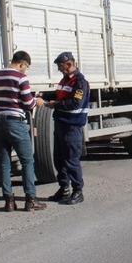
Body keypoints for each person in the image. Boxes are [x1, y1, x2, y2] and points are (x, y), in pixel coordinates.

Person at [0, 50, 46, 212]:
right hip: (15, 122)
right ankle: (30, 199)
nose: (26, 70)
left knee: (4, 162)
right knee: (27, 161)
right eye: (26, 67)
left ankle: (9, 201)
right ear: (22, 63)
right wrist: (36, 101)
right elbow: (28, 103)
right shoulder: (21, 77)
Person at [36, 51, 89, 205]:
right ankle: (64, 188)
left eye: (60, 66)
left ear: (69, 64)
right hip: (61, 124)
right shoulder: (65, 80)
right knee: (59, 159)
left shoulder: (80, 82)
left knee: (71, 160)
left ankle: (78, 191)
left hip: (72, 126)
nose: (59, 69)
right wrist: (44, 96)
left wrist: (53, 104)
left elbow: (75, 103)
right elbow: (59, 95)